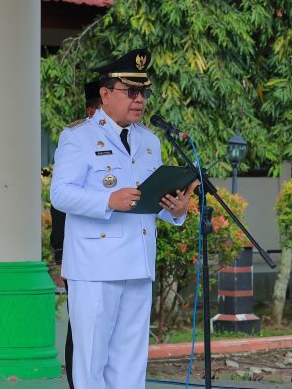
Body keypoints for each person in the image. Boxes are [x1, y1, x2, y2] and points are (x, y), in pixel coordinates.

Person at [50, 49, 199, 388]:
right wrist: (108, 200)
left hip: (137, 262)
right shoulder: (78, 136)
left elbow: (150, 197)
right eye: (130, 91)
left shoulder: (149, 140)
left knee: (130, 361)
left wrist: (175, 211)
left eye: (143, 92)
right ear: (105, 94)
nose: (139, 99)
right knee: (91, 360)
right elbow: (59, 194)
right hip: (95, 267)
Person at [49, 79, 102, 389]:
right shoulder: (77, 140)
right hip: (78, 256)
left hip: (111, 258)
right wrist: (61, 257)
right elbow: (60, 209)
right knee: (78, 330)